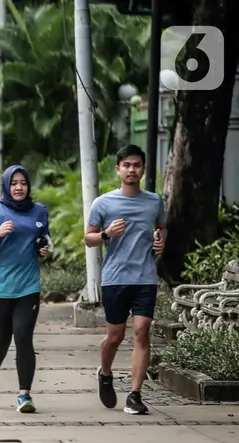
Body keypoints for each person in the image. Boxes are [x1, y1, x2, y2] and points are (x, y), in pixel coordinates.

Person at [85, 144, 166, 415]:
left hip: (144, 277)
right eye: (127, 165)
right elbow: (88, 238)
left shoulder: (154, 201)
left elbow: (161, 227)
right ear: (118, 169)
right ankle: (105, 373)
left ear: (143, 169)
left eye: (137, 165)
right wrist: (107, 234)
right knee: (115, 337)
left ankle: (134, 395)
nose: (132, 170)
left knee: (142, 332)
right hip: (115, 278)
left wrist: (160, 241)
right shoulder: (103, 203)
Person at [0, 165, 51, 413]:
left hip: (28, 286)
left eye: (23, 183)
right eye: (14, 183)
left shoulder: (39, 211)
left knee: (24, 337)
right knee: (1, 341)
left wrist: (43, 247)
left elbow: (43, 238)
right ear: (7, 185)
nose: (19, 187)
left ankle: (24, 395)